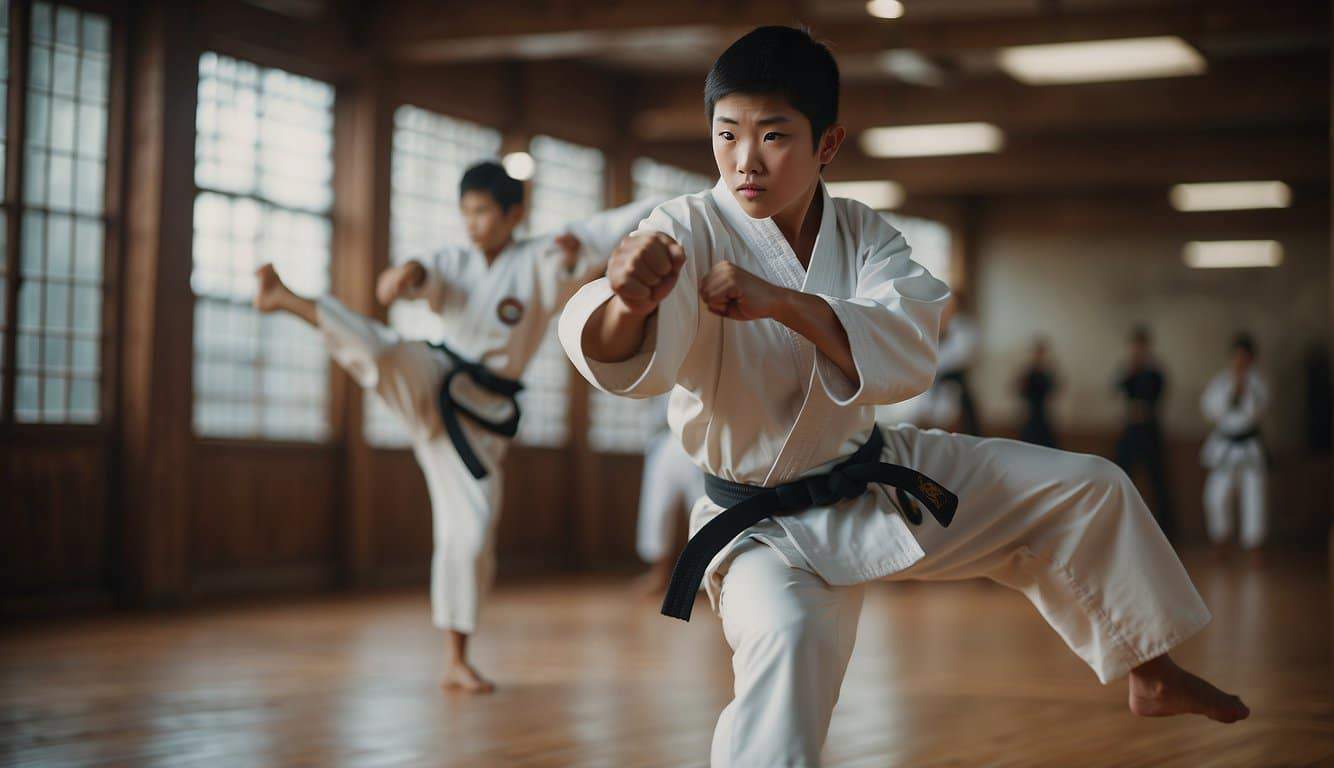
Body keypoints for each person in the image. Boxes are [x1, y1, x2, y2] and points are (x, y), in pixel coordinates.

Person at [558, 27, 1248, 766]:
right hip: (758, 524)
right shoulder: (686, 228)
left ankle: (1150, 671)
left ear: (827, 144)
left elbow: (908, 346)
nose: (744, 160)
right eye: (726, 135)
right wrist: (629, 302)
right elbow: (613, 347)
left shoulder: (864, 234)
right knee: (788, 647)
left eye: (773, 136)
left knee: (1090, 488)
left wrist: (782, 302)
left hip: (873, 474)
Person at [254, 161, 656, 693]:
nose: (473, 222)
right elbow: (416, 274)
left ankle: (456, 659)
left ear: (514, 214)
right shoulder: (452, 259)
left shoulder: (545, 254)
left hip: (481, 419)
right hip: (435, 379)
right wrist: (403, 278)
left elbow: (619, 223)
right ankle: (283, 298)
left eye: (484, 211)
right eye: (466, 211)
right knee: (385, 349)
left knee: (470, 533)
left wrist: (695, 204)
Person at [1200, 333, 1270, 553]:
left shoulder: (1259, 383)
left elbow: (1256, 413)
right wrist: (1231, 391)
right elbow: (1211, 410)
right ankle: (1220, 538)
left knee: (1254, 497)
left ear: (1251, 359)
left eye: (1244, 357)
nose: (1240, 361)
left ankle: (1254, 544)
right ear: (1231, 358)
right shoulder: (1220, 382)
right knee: (1215, 495)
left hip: (1249, 447)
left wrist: (1243, 389)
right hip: (1225, 446)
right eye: (1236, 356)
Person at [634, 394, 706, 596]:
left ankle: (707, 576)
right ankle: (659, 573)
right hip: (663, 438)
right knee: (656, 508)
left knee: (702, 507)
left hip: (697, 439)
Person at [1113, 326, 1176, 540]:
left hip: (1150, 431)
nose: (1137, 350)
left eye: (1141, 346)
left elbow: (1157, 398)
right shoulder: (1128, 370)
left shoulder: (1156, 373)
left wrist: (1142, 409)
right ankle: (1117, 525)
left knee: (1158, 480)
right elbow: (1116, 389)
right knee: (1120, 475)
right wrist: (1131, 370)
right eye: (1135, 346)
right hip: (1131, 431)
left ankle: (1165, 532)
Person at [1017, 336, 1059, 447]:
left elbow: (1053, 389)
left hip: (1042, 410)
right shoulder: (1028, 371)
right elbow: (1021, 390)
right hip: (1030, 411)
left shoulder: (1047, 371)